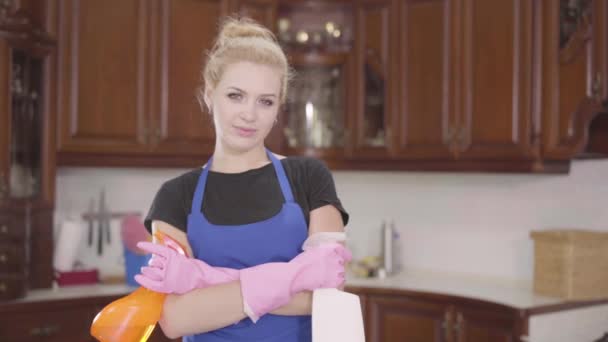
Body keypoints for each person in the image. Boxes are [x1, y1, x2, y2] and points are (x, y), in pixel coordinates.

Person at [136, 17, 352, 341]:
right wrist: (295, 276)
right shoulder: (175, 196)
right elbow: (175, 317)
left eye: (265, 101)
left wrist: (207, 283)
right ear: (210, 94)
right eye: (236, 96)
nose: (249, 114)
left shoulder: (308, 178)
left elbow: (328, 288)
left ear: (278, 107)